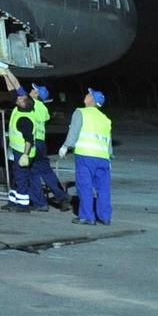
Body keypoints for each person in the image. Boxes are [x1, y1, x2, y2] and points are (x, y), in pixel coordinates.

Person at [57, 88, 114, 224]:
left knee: (85, 187)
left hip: (85, 157)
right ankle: (105, 217)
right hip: (103, 159)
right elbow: (108, 141)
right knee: (103, 189)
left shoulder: (80, 112)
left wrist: (65, 146)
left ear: (91, 99)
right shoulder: (106, 119)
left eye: (88, 94)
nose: (86, 95)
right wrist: (109, 158)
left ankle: (87, 216)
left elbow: (74, 131)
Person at [25, 85, 71, 211]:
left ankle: (40, 203)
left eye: (34, 89)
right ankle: (62, 197)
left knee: (32, 173)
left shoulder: (30, 104)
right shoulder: (44, 109)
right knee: (46, 171)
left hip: (32, 142)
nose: (31, 90)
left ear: (36, 94)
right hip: (41, 142)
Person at [1, 85, 40, 212]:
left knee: (21, 178)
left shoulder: (25, 119)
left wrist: (25, 155)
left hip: (23, 153)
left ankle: (23, 205)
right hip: (16, 150)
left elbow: (29, 140)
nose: (19, 97)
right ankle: (13, 202)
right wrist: (5, 73)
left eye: (21, 98)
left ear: (23, 104)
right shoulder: (20, 109)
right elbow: (14, 90)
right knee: (15, 177)